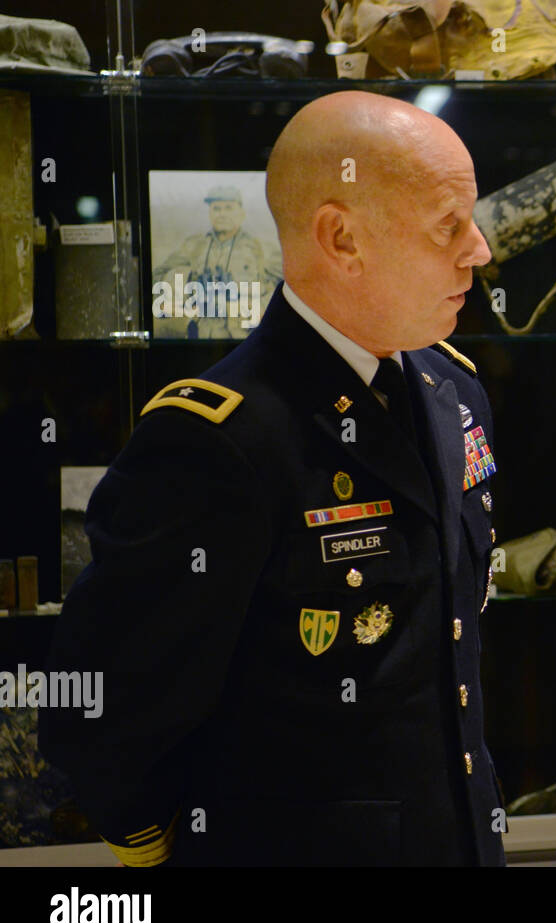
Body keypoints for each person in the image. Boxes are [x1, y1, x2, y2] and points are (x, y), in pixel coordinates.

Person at [39, 90, 505, 866]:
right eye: (448, 225)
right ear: (341, 237)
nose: (480, 249)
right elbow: (103, 713)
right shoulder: (218, 439)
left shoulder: (452, 390)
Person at [151, 184, 281, 337]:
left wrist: (261, 308)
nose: (222, 214)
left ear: (241, 213)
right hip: (200, 337)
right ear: (210, 213)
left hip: (242, 340)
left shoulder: (261, 249)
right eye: (216, 209)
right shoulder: (194, 246)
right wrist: (179, 305)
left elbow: (289, 288)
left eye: (228, 208)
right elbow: (157, 276)